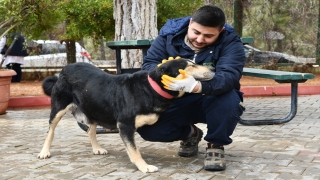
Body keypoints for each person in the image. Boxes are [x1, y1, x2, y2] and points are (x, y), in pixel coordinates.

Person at [137, 5, 245, 171]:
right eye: (196, 32)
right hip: (174, 100)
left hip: (211, 97)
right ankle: (190, 134)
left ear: (221, 30)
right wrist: (165, 72)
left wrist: (196, 85)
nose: (200, 39)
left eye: (209, 36)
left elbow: (229, 77)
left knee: (229, 100)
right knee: (149, 130)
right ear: (190, 23)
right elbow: (148, 65)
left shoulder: (231, 41)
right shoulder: (168, 36)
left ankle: (215, 145)